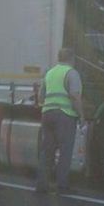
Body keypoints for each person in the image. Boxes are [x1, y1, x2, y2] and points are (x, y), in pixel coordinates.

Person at [36, 47, 84, 193]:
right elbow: (75, 96)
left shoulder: (49, 73)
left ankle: (41, 185)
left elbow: (40, 97)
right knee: (65, 151)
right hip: (64, 115)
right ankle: (62, 185)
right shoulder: (71, 73)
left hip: (47, 115)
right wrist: (81, 115)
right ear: (72, 58)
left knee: (47, 151)